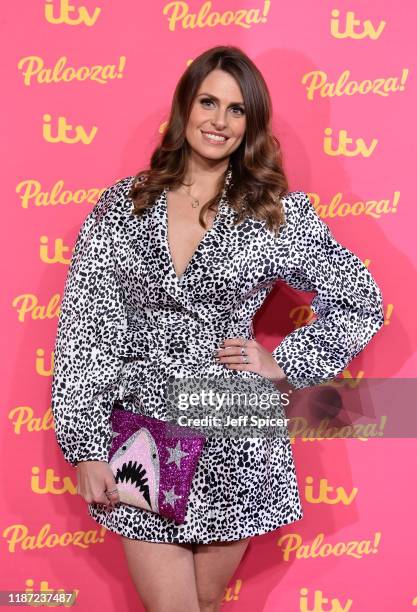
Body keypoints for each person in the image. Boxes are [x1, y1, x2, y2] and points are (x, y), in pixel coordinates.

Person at [50, 45, 384, 612]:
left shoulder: (273, 210)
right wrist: (84, 445)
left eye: (236, 110)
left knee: (204, 605)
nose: (219, 121)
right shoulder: (122, 206)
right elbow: (86, 328)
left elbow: (361, 301)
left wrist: (284, 363)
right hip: (144, 425)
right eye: (209, 102)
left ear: (250, 124)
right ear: (185, 107)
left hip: (234, 423)